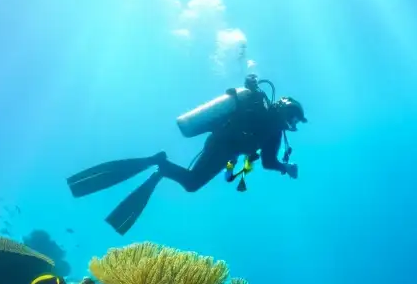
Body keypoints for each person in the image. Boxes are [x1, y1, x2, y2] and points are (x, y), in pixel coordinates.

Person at [67, 75, 306, 235]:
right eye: (293, 118)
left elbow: (267, 161)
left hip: (222, 146)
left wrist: (284, 166)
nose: (292, 124)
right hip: (222, 147)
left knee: (192, 182)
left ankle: (161, 166)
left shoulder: (271, 126)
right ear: (285, 109)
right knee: (192, 184)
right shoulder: (265, 118)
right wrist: (287, 168)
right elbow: (268, 161)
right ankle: (159, 163)